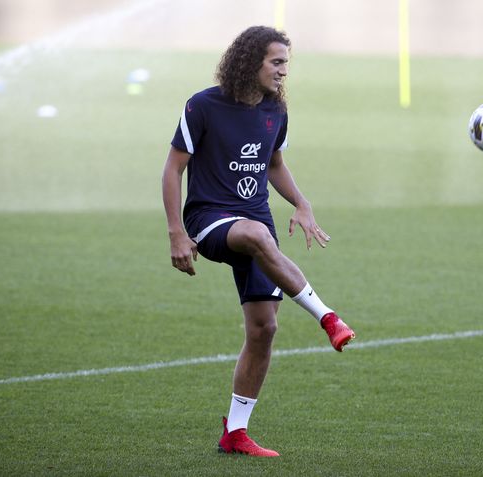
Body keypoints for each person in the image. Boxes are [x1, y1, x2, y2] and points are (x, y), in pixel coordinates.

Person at [161, 25, 355, 458]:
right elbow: (173, 168)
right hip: (209, 219)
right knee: (255, 233)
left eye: (287, 63)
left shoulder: (275, 111)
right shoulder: (203, 105)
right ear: (250, 61)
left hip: (257, 223)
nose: (284, 71)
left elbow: (275, 164)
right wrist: (176, 232)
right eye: (277, 62)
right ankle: (328, 317)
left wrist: (302, 204)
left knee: (264, 328)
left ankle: (236, 432)